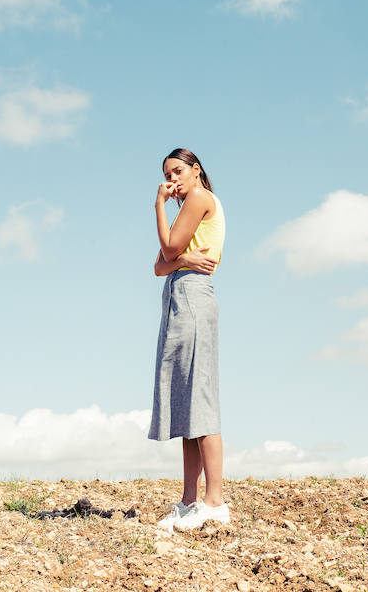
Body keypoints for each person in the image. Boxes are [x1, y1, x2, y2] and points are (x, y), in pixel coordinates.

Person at [148, 148, 230, 531]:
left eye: (178, 171)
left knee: (201, 399)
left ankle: (214, 502)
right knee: (186, 404)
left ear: (196, 171)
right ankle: (189, 500)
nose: (173, 181)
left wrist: (158, 205)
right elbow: (160, 266)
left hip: (194, 298)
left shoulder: (197, 198)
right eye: (168, 175)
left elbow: (166, 249)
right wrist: (182, 260)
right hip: (181, 296)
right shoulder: (191, 204)